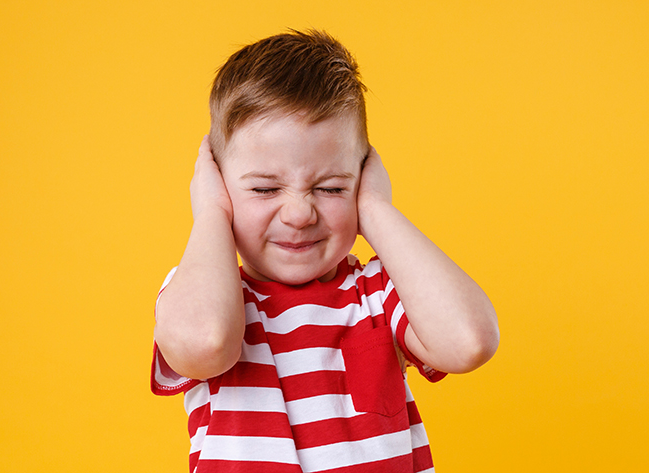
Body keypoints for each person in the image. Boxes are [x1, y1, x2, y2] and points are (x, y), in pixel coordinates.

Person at [151, 29, 499, 473]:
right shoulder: (201, 294)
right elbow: (204, 344)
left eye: (332, 187)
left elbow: (469, 341)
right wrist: (210, 217)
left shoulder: (378, 294)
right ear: (218, 185)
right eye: (264, 188)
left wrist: (375, 210)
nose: (299, 213)